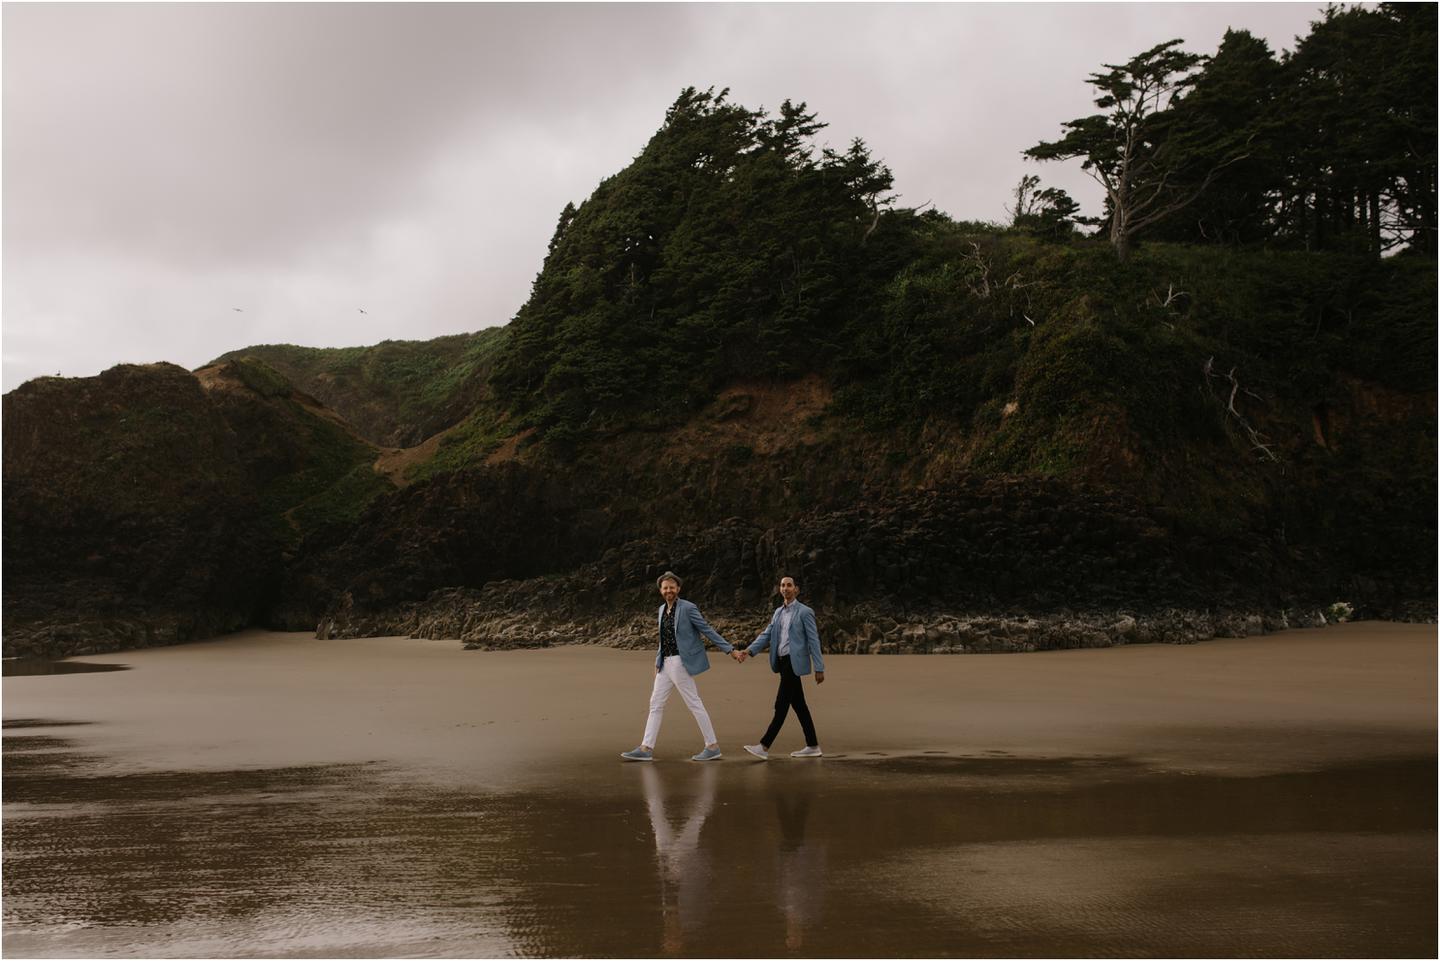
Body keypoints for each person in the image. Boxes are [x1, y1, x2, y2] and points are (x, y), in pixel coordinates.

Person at [620, 571, 743, 762]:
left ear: (678, 589)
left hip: (681, 662)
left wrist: (731, 650)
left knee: (694, 703)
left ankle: (712, 746)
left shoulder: (688, 608)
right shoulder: (662, 610)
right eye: (665, 587)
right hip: (665, 664)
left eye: (672, 587)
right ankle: (646, 748)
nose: (668, 590)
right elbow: (662, 639)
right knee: (656, 704)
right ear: (661, 590)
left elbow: (706, 629)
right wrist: (657, 661)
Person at [737, 574, 826, 758]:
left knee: (781, 705)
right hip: (782, 662)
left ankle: (764, 746)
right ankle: (813, 745)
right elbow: (767, 634)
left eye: (789, 585)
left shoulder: (804, 612)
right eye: (783, 585)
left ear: (796, 589)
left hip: (794, 663)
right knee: (799, 706)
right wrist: (749, 651)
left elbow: (813, 640)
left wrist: (819, 667)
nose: (785, 588)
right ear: (780, 589)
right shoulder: (778, 612)